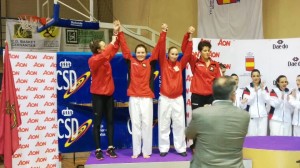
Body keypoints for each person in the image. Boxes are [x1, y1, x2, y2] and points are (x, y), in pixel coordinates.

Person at [117, 21, 166, 159]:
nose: (140, 54)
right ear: (135, 53)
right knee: (136, 124)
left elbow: (157, 48)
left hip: (146, 98)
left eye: (142, 52)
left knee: (146, 124)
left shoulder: (150, 62)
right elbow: (125, 48)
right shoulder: (130, 61)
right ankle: (136, 151)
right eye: (138, 52)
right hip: (133, 98)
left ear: (146, 53)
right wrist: (120, 31)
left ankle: (146, 151)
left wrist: (163, 33)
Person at [185, 76, 250, 168]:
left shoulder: (200, 113)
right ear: (233, 95)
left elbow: (189, 134)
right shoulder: (244, 116)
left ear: (213, 93)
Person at [157, 25, 195, 157]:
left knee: (179, 124)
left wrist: (188, 37)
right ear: (168, 55)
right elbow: (161, 48)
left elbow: (188, 54)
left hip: (178, 98)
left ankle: (180, 148)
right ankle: (163, 148)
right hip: (165, 98)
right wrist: (163, 32)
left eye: (176, 54)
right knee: (164, 124)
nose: (174, 56)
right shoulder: (163, 63)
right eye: (172, 54)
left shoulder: (181, 64)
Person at [88, 21, 120, 160]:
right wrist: (112, 41)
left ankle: (110, 147)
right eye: (103, 45)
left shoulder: (105, 58)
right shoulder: (93, 60)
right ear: (98, 50)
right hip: (98, 96)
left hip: (109, 95)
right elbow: (108, 51)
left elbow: (114, 48)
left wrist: (116, 33)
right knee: (97, 122)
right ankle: (98, 149)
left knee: (111, 120)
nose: (106, 46)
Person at [184, 39, 222, 151]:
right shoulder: (195, 62)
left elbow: (219, 81)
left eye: (208, 50)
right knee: (198, 120)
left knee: (210, 121)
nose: (207, 52)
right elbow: (185, 51)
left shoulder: (215, 64)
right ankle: (195, 145)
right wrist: (188, 38)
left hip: (211, 96)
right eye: (204, 50)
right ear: (200, 51)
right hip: (197, 96)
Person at [241, 69, 269, 136]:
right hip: (252, 115)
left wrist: (262, 90)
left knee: (262, 136)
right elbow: (248, 102)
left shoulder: (264, 87)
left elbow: (267, 100)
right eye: (254, 76)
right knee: (252, 136)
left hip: (263, 116)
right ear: (251, 77)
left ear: (260, 76)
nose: (256, 77)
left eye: (257, 76)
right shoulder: (247, 88)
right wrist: (254, 92)